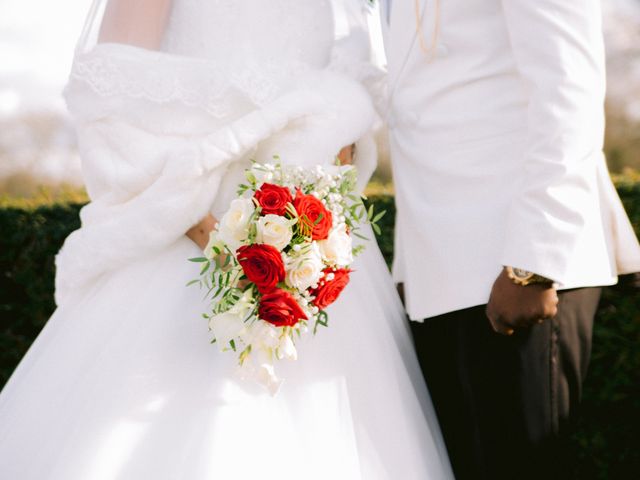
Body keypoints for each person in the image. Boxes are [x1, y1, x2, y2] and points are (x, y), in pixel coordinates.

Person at [0, 1, 454, 479]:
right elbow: (111, 97)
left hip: (313, 235)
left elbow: (352, 77)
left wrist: (315, 212)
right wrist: (211, 231)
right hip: (184, 234)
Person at [380, 0, 640, 479]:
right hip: (443, 273)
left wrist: (533, 260)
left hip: (516, 262)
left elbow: (569, 87)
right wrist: (410, 272)